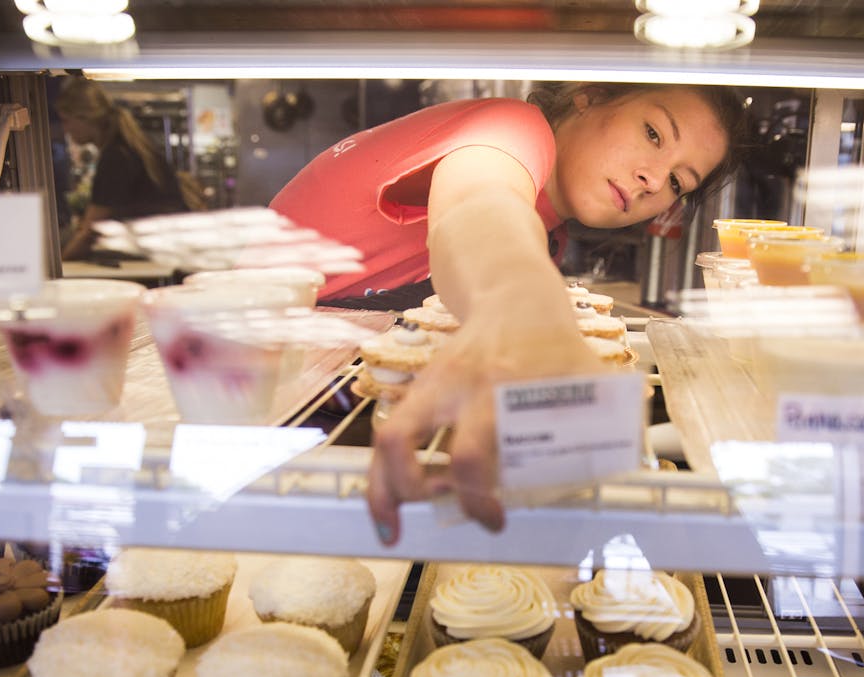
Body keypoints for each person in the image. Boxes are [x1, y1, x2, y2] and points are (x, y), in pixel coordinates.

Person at [271, 82, 747, 545]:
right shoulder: (510, 129)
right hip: (254, 394)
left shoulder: (549, 231)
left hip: (318, 411)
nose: (653, 180)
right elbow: (478, 207)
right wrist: (527, 317)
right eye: (653, 133)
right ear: (590, 96)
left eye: (677, 182)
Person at [53, 77, 201, 260]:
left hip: (157, 256)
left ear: (85, 117)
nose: (66, 130)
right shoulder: (126, 146)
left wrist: (62, 264)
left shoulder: (116, 157)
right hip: (165, 253)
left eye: (66, 121)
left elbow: (90, 230)